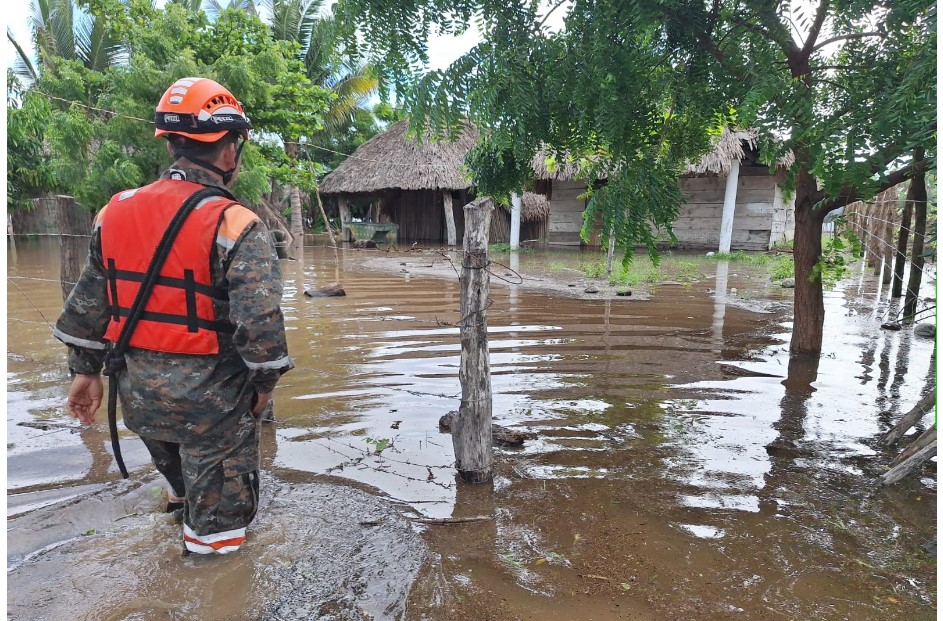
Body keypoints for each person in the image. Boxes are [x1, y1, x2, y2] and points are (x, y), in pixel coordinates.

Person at [54, 77, 292, 555]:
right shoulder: (236, 223)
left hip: (140, 400)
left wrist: (85, 372)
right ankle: (209, 580)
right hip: (213, 407)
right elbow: (261, 325)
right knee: (217, 543)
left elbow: (88, 305)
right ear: (230, 149)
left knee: (182, 497)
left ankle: (180, 519)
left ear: (170, 143)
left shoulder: (112, 213)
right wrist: (265, 387)